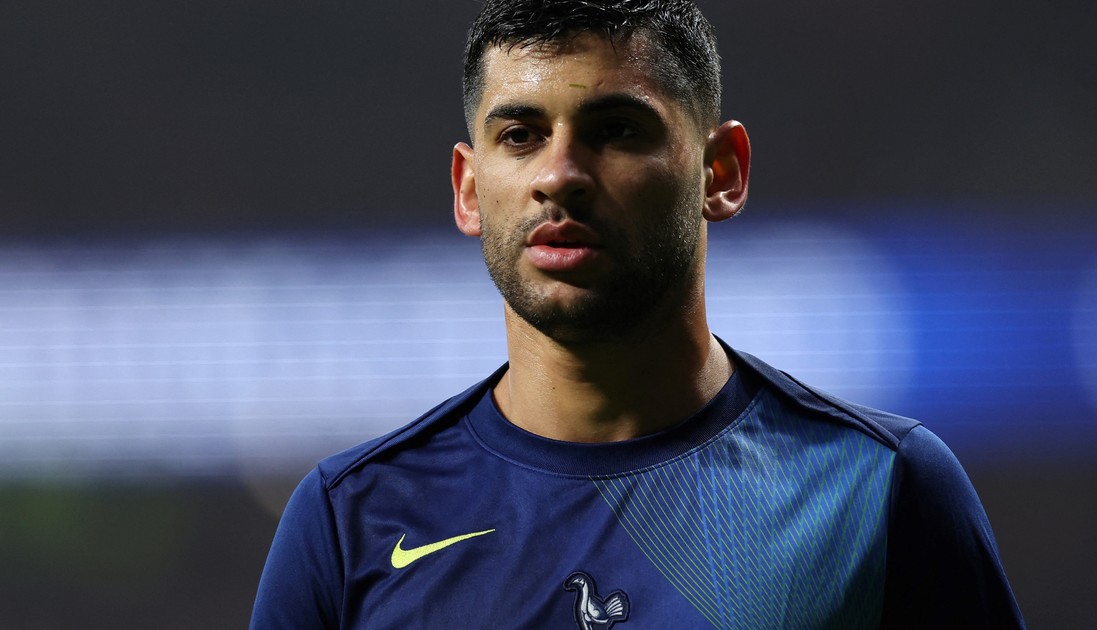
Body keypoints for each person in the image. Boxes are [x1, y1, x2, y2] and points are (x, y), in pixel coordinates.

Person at [252, 0, 1025, 627]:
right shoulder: (349, 520)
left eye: (616, 130)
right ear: (468, 189)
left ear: (721, 172)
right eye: (520, 136)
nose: (560, 174)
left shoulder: (879, 489)